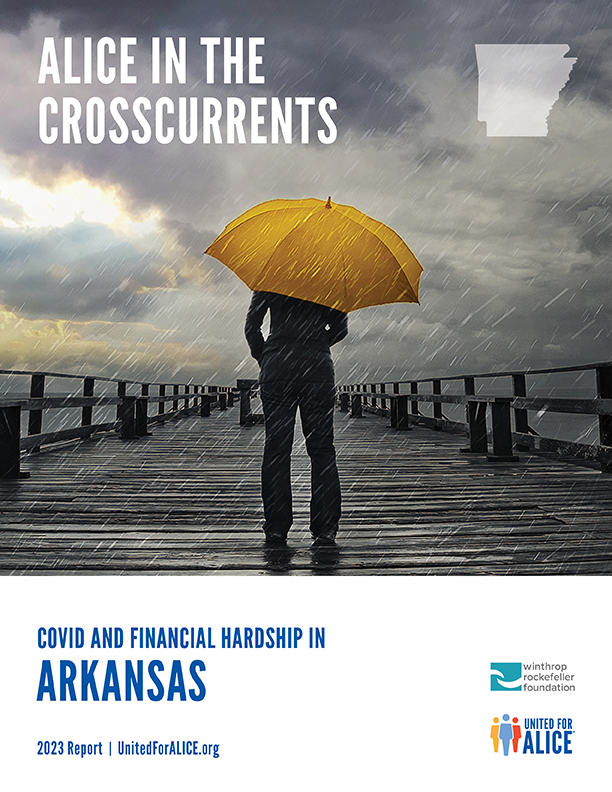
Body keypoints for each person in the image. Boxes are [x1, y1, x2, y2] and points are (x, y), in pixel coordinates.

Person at [244, 290, 348, 545]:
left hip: (278, 366)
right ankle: (325, 528)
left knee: (277, 448)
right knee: (322, 449)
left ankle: (277, 527)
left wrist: (267, 354)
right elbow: (341, 328)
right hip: (318, 368)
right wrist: (316, 342)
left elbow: (251, 328)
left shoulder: (270, 277)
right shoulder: (329, 281)